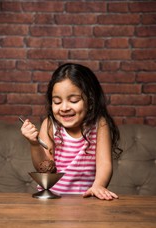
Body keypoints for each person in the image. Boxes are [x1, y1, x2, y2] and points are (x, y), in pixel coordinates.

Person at [21, 63, 122, 200]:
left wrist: (98, 186)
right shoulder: (50, 124)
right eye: (57, 102)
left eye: (73, 100)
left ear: (90, 101)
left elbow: (104, 163)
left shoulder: (99, 124)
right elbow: (44, 168)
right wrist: (34, 144)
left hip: (85, 201)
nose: (64, 108)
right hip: (52, 201)